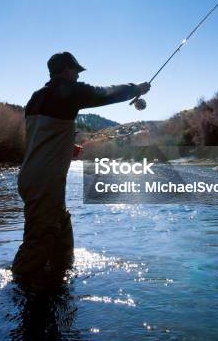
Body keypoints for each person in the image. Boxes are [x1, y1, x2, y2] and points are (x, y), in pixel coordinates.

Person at [12, 51, 150, 281]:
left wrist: (67, 146)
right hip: (46, 182)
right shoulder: (67, 91)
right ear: (67, 70)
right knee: (37, 241)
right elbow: (104, 94)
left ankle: (59, 278)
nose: (77, 75)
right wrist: (136, 89)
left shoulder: (36, 98)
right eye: (76, 71)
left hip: (32, 177)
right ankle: (18, 289)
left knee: (61, 232)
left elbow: (43, 135)